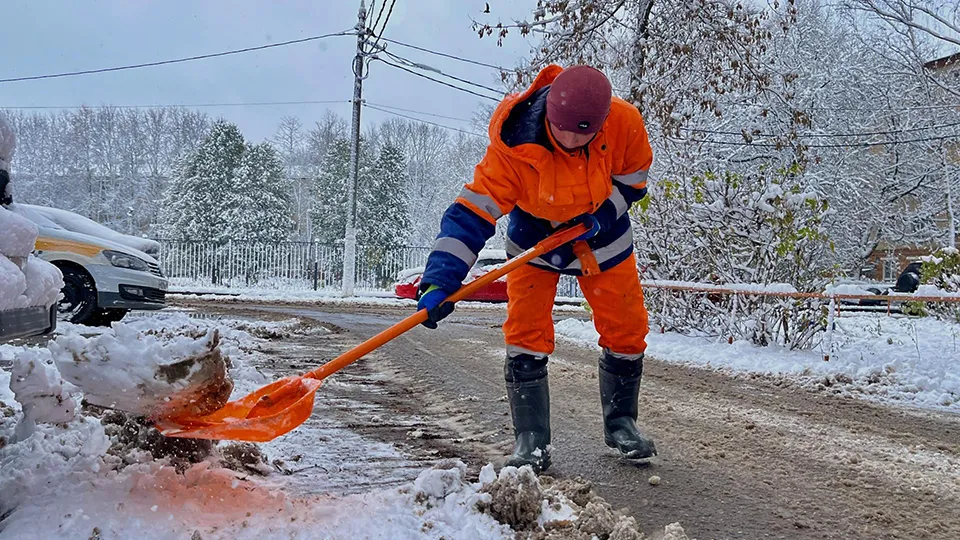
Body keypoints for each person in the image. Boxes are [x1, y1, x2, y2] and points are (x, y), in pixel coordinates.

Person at [416, 64, 656, 473]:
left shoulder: (625, 122)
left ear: (602, 124)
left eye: (585, 134)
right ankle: (532, 441)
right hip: (534, 241)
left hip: (603, 237)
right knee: (526, 331)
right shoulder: (514, 145)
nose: (571, 140)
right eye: (564, 130)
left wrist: (604, 215)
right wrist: (440, 279)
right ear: (548, 114)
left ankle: (621, 424)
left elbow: (633, 182)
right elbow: (472, 212)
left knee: (628, 330)